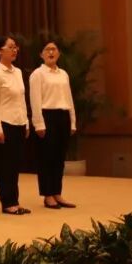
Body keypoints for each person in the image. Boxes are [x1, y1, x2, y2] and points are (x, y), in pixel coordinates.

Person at [30, 41, 78, 209]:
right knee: (46, 158)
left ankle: (57, 192)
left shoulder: (63, 74)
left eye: (54, 49)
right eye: (47, 49)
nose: (51, 52)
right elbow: (35, 100)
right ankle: (48, 194)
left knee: (59, 158)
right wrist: (38, 123)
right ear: (41, 54)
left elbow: (69, 98)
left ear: (58, 53)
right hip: (47, 116)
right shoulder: (38, 74)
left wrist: (72, 121)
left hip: (63, 116)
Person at [0, 35, 30, 215]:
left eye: (15, 47)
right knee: (4, 165)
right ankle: (7, 202)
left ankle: (15, 200)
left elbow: (22, 99)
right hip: (5, 123)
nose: (15, 50)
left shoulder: (18, 72)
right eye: (10, 47)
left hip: (19, 122)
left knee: (15, 165)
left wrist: (26, 122)